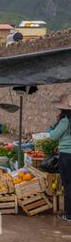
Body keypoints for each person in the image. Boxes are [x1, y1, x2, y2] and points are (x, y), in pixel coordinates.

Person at [49, 94, 71, 222]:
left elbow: (53, 136)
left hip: (67, 156)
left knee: (68, 185)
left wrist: (56, 124)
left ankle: (69, 215)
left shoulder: (65, 121)